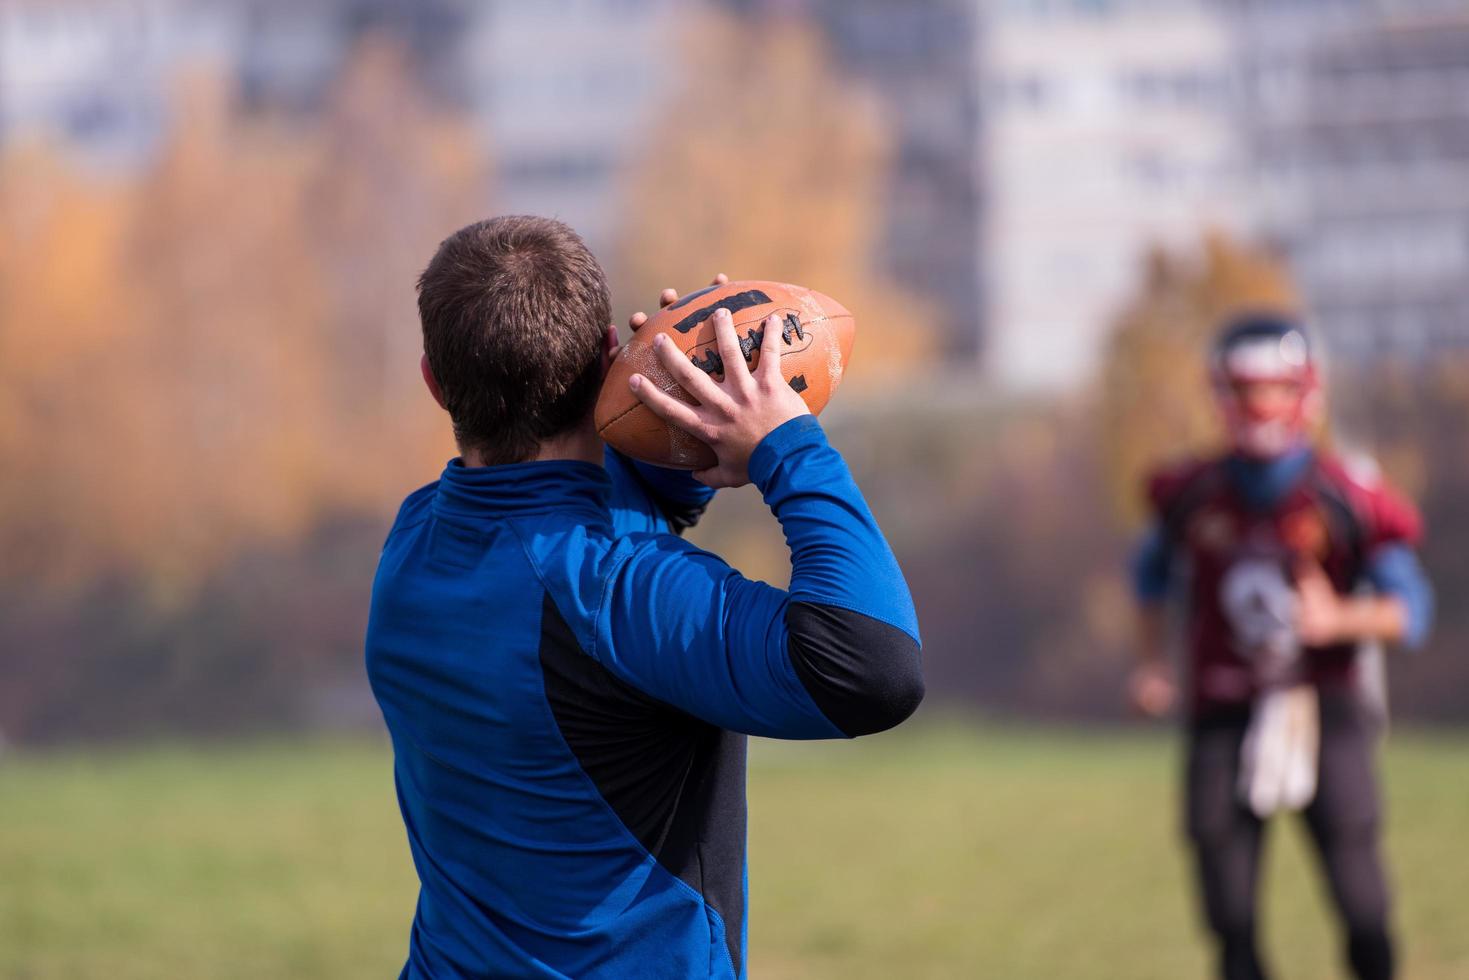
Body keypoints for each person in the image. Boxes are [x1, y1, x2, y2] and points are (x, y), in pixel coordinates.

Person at [364, 215, 924, 979]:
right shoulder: (615, 595)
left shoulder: (413, 545)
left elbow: (556, 519)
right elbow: (872, 667)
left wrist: (666, 430)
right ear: (604, 355)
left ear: (433, 381)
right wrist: (786, 448)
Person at [1128, 313, 1434, 980]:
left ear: (1306, 393)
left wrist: (1338, 620)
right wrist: (1152, 661)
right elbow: (1146, 574)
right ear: (1219, 395)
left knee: (1360, 903)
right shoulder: (1191, 494)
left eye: (1274, 389)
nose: (1260, 407)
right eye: (1243, 390)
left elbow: (1410, 610)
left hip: (1322, 702)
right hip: (1222, 702)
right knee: (1227, 913)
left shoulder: (1345, 493)